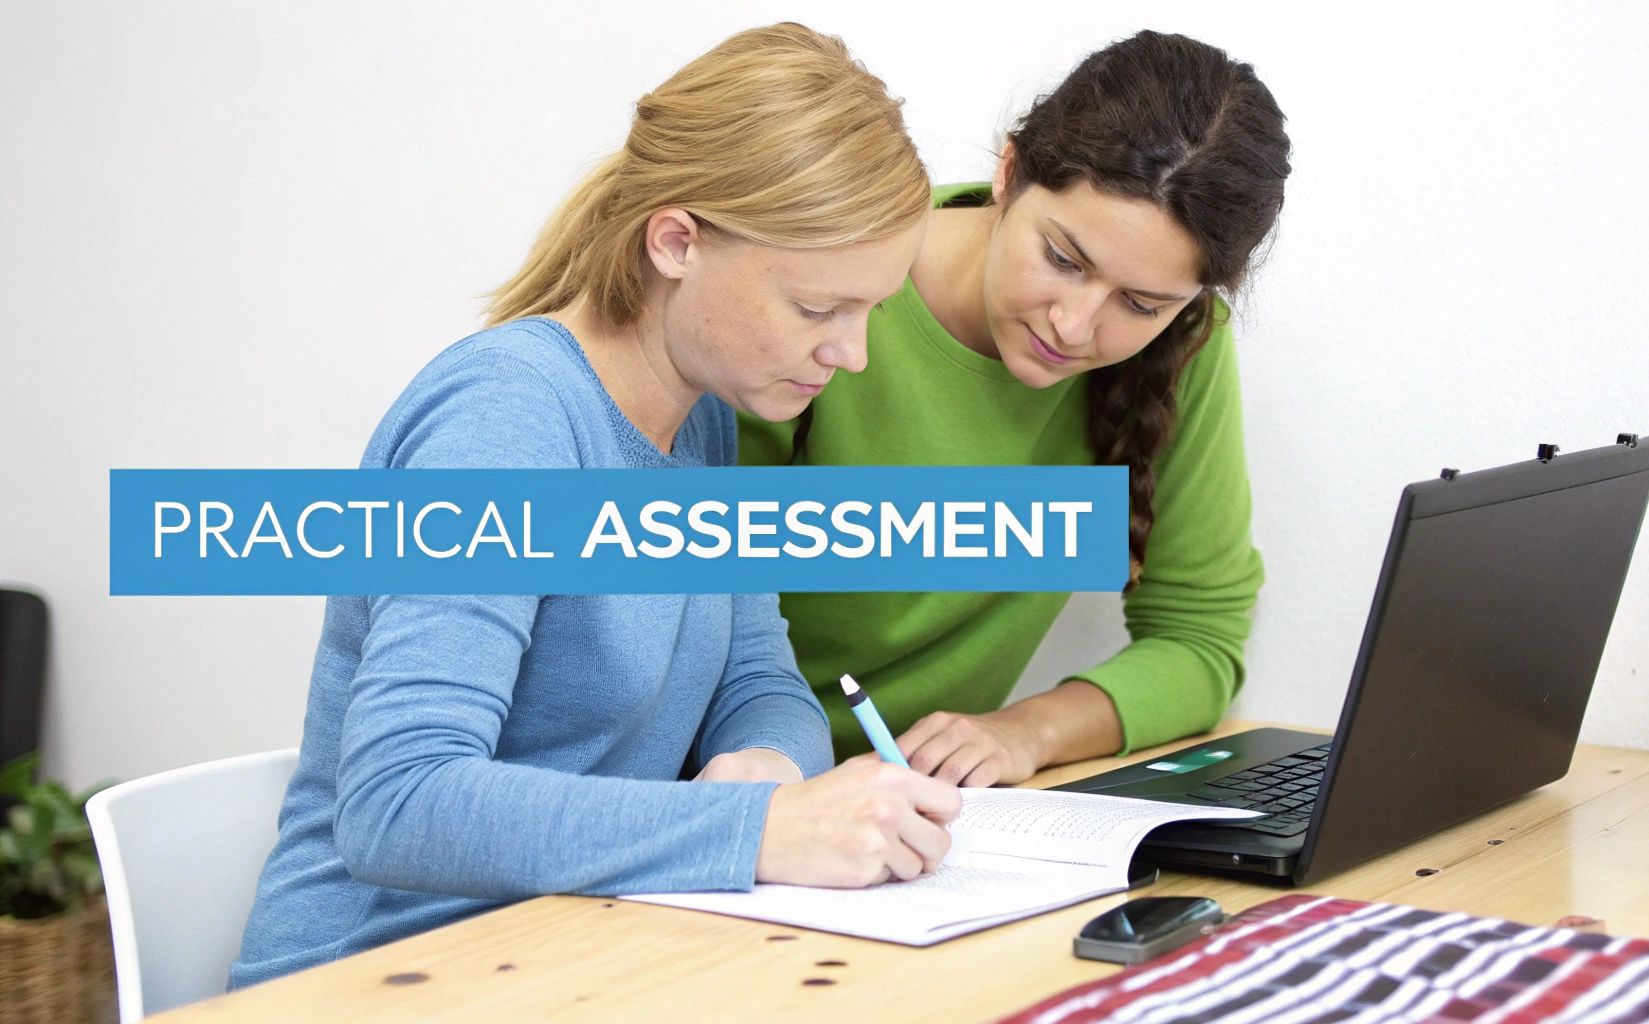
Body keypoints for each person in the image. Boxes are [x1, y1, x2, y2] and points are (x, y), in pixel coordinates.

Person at [232, 23, 956, 988]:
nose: (851, 354)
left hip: (577, 951)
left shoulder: (701, 420)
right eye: (817, 310)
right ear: (676, 242)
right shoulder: (506, 423)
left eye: (871, 311)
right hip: (380, 975)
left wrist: (770, 770)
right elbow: (398, 801)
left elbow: (760, 682)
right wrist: (754, 829)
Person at [740, 31, 1292, 787]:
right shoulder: (829, 282)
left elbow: (1199, 637)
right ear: (1008, 172)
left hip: (922, 813)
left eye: (1141, 302)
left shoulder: (1183, 347)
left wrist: (1023, 733)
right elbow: (667, 607)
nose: (1075, 325)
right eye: (1063, 260)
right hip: (736, 785)